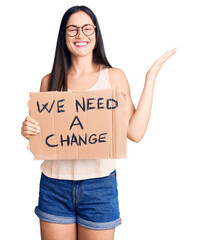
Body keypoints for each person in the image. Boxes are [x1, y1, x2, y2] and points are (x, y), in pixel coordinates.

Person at [21, 5, 177, 240]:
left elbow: (134, 133)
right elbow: (42, 136)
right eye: (72, 29)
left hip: (99, 187)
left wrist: (150, 78)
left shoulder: (113, 77)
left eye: (87, 28)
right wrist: (28, 129)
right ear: (64, 36)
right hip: (54, 186)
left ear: (96, 33)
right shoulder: (49, 81)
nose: (80, 35)